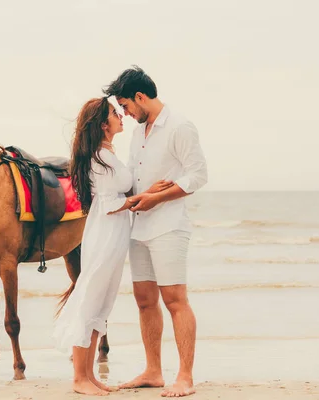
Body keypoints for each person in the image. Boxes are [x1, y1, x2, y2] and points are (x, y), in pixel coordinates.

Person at [53, 97, 173, 396]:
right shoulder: (98, 157)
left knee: (101, 304)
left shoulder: (108, 154)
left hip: (115, 234)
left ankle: (89, 375)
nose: (121, 115)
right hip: (105, 234)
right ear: (103, 124)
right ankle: (79, 378)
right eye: (114, 113)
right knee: (91, 301)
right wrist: (144, 197)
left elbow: (118, 195)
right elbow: (108, 203)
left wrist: (145, 192)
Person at [104, 66, 208, 398]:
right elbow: (136, 181)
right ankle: (153, 371)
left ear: (140, 96)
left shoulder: (179, 125)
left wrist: (157, 197)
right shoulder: (138, 133)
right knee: (145, 301)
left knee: (175, 300)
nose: (124, 113)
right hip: (139, 227)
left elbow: (198, 176)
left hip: (169, 226)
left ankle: (185, 377)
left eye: (126, 105)